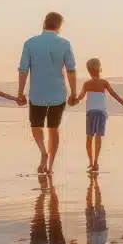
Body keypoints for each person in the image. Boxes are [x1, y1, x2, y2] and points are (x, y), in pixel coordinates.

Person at [17, 12, 77, 175]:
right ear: (59, 26)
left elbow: (23, 70)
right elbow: (71, 71)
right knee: (53, 128)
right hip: (58, 94)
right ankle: (50, 165)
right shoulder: (65, 44)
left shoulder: (30, 43)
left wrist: (20, 92)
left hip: (37, 93)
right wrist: (74, 93)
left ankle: (43, 151)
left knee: (36, 126)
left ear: (44, 23)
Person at [74, 57, 123, 173]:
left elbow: (80, 97)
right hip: (101, 113)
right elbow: (113, 94)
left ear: (88, 70)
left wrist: (73, 100)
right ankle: (96, 162)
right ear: (100, 69)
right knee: (98, 137)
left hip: (91, 113)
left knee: (89, 138)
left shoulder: (87, 84)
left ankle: (90, 162)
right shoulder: (104, 82)